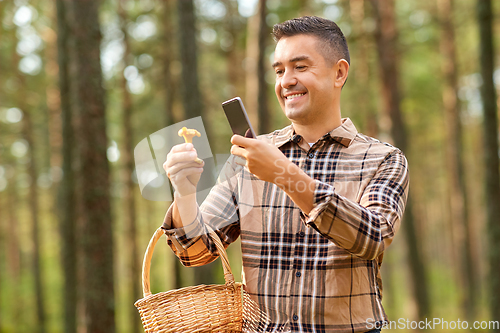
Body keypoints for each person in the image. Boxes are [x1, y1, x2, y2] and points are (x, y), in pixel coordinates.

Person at [162, 16, 408, 333]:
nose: (286, 80)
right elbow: (197, 252)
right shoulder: (248, 157)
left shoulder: (382, 159)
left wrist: (283, 174)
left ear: (339, 73)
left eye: (300, 67)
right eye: (279, 71)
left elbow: (373, 237)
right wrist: (183, 193)